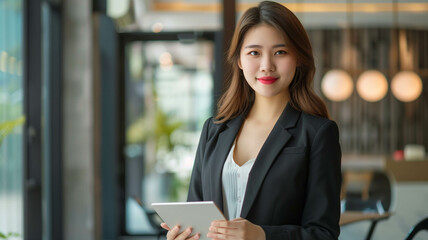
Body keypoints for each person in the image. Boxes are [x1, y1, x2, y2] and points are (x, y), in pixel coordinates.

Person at [161, 1, 342, 239]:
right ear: (239, 60)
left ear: (298, 58)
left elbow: (323, 234)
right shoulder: (214, 129)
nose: (266, 66)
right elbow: (196, 212)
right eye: (254, 53)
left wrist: (262, 235)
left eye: (280, 52)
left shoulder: (317, 133)